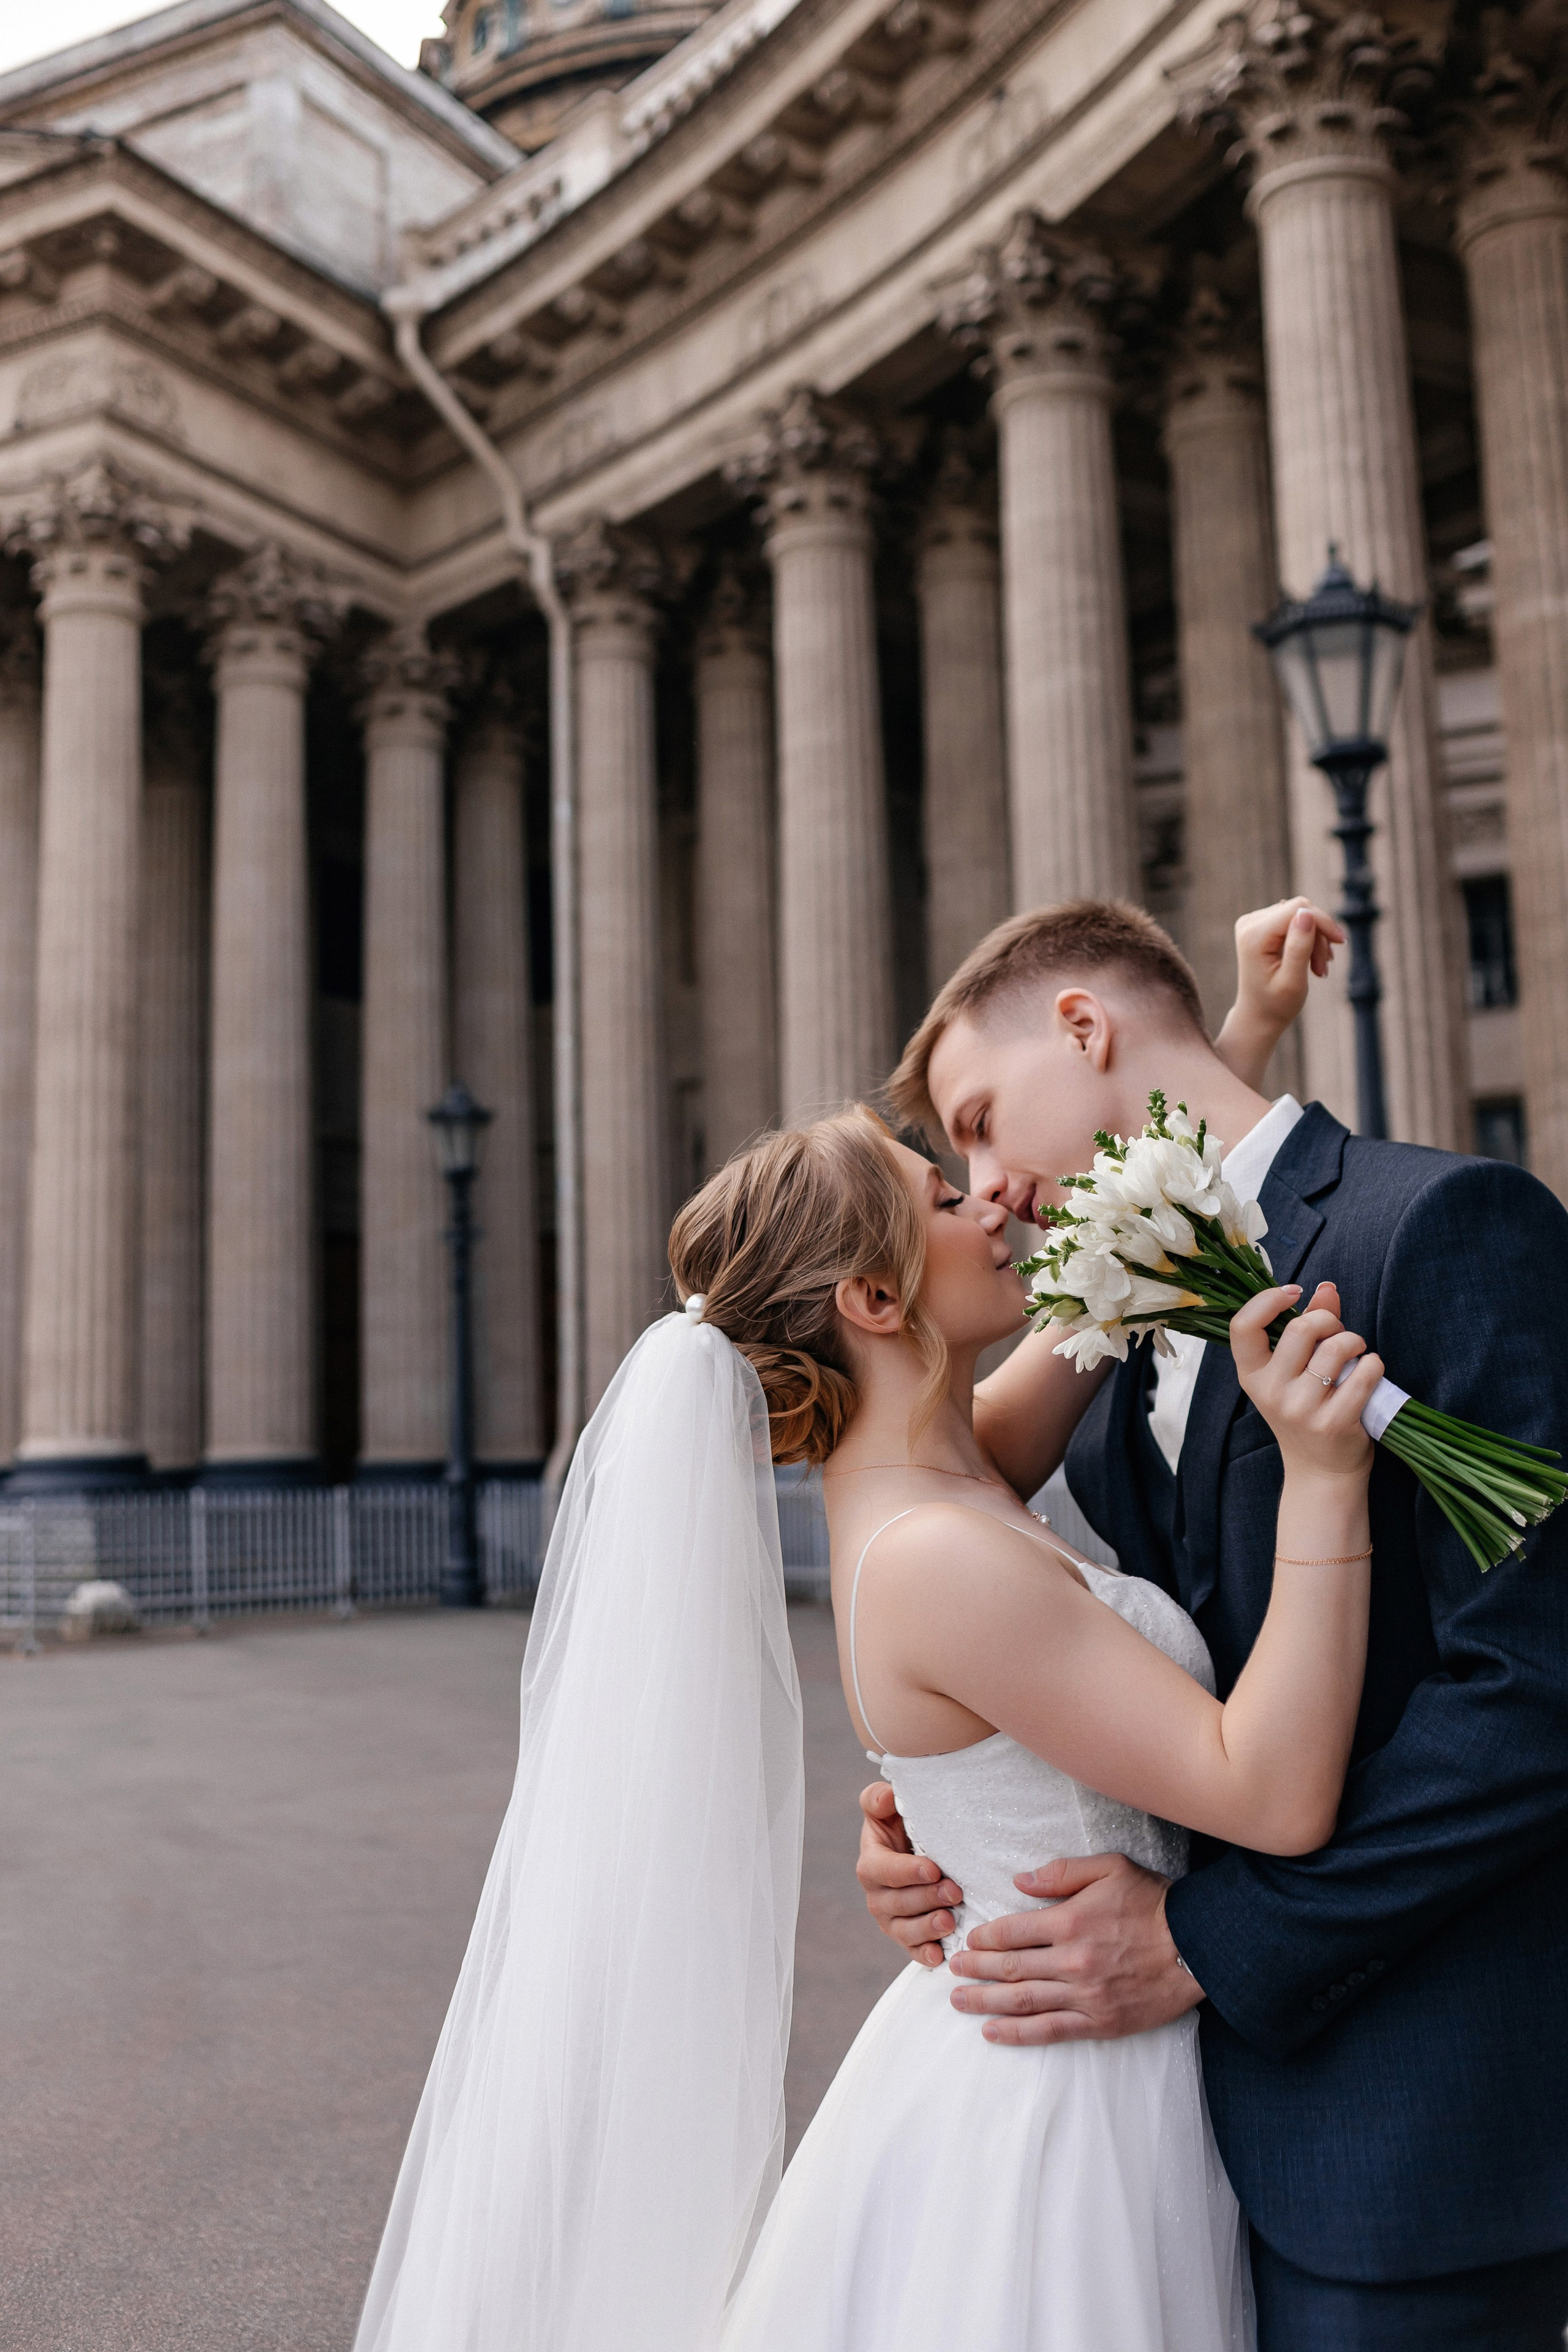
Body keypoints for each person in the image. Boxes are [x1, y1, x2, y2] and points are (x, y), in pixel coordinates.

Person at [351, 898, 1379, 2352]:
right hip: (1061, 2113)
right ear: (877, 1295)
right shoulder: (931, 1557)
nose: (997, 1195)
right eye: (945, 1190)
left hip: (1082, 2049)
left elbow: (1121, 1251)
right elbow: (1266, 1792)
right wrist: (1325, 1484)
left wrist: (1238, 1034)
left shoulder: (955, 1465)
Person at [858, 896, 1568, 2351]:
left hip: (1414, 2132)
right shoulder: (1117, 1306)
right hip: (1171, 2144)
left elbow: (1538, 1679)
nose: (986, 1187)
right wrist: (952, 1800)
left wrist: (1208, 1943)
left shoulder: (1437, 1226)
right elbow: (1068, 1601)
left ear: (1083, 1028)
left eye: (983, 1123)